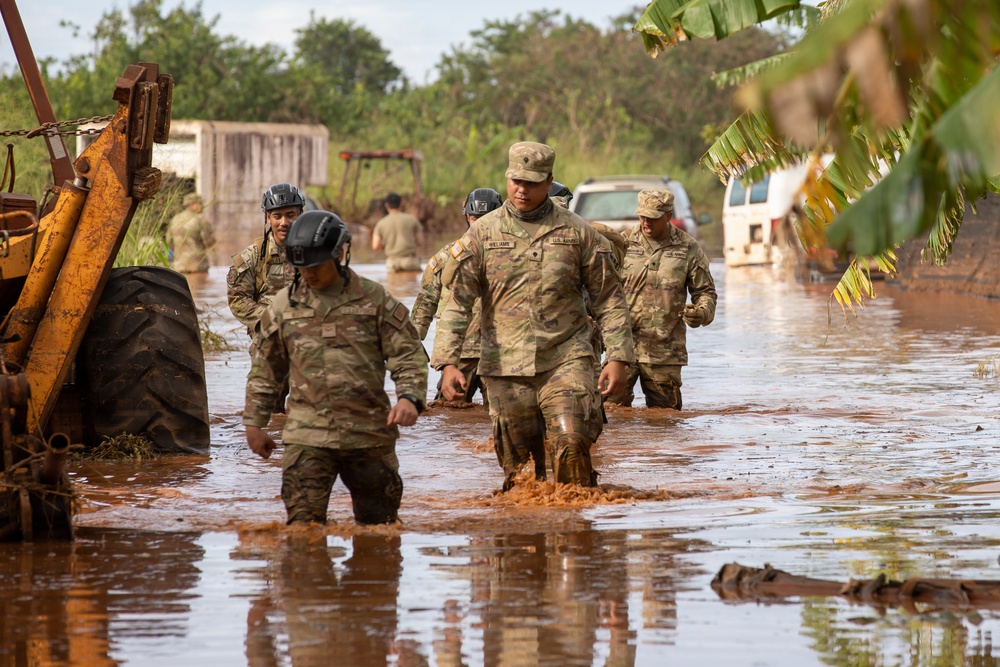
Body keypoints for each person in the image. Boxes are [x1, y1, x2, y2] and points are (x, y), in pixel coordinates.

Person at [433, 141, 635, 490]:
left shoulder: (577, 233)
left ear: (549, 181)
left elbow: (609, 299)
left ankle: (577, 534)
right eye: (515, 181)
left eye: (531, 182)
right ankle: (527, 537)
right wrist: (447, 362)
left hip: (566, 357)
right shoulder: (482, 234)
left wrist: (618, 357)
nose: (521, 189)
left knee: (572, 444)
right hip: (505, 365)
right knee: (523, 475)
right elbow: (457, 302)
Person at [243, 210, 428, 525]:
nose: (309, 275)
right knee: (303, 531)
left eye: (317, 266)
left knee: (379, 532)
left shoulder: (374, 299)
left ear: (340, 254)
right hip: (307, 437)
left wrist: (409, 397)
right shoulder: (283, 306)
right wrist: (254, 424)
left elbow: (408, 352)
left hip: (369, 436)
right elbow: (266, 368)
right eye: (301, 268)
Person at [604, 188, 717, 410]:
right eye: (642, 216)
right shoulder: (622, 243)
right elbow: (600, 289)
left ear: (668, 215)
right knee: (610, 415)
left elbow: (706, 292)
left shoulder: (687, 248)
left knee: (665, 421)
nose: (647, 222)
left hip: (665, 352)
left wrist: (701, 313)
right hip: (621, 349)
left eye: (654, 218)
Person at [410, 187, 502, 403]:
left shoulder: (512, 256)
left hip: (501, 353)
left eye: (486, 219)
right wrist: (412, 343)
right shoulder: (447, 257)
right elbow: (426, 303)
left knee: (507, 418)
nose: (479, 224)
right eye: (474, 218)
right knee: (448, 416)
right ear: (467, 217)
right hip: (461, 353)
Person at [227, 183, 306, 337]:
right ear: (268, 218)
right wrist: (275, 319)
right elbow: (238, 301)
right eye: (277, 216)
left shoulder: (315, 253)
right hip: (269, 337)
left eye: (290, 215)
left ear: (300, 215)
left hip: (307, 336)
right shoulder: (251, 257)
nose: (284, 222)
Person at [372, 192, 424, 272]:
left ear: (387, 205)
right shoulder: (412, 220)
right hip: (410, 261)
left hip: (392, 262)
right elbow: (420, 241)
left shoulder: (381, 223)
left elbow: (375, 246)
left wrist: (387, 246)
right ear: (401, 204)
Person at [166, 193, 215, 273]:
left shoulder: (175, 219)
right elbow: (209, 242)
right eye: (200, 203)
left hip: (179, 267)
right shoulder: (200, 220)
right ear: (193, 204)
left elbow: (169, 241)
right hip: (198, 266)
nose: (202, 206)